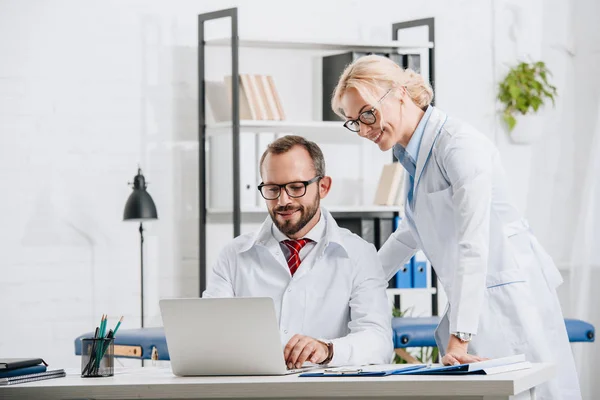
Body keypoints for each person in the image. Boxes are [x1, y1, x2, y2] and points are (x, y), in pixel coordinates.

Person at [330, 54, 581, 399]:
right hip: (481, 300)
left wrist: (459, 340)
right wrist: (359, 285)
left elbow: (473, 243)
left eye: (368, 113)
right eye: (355, 122)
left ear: (399, 93)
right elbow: (411, 233)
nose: (365, 129)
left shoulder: (458, 145)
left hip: (509, 299)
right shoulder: (413, 156)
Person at [203, 134, 393, 368]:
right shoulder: (233, 256)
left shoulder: (359, 254)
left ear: (323, 187)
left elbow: (378, 341)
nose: (283, 200)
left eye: (296, 187)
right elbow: (209, 335)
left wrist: (328, 350)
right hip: (252, 392)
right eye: (272, 189)